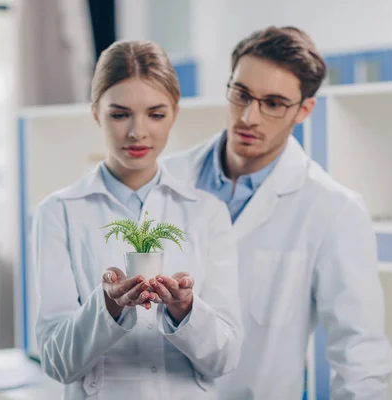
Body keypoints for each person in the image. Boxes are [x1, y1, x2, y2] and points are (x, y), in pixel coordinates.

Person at [162, 26, 392, 399]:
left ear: (304, 110)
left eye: (273, 103)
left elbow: (360, 357)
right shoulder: (166, 180)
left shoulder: (333, 210)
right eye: (241, 94)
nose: (249, 117)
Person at [33, 39, 243, 400]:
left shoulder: (206, 212)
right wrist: (109, 307)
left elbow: (225, 359)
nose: (137, 132)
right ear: (96, 113)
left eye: (156, 114)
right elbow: (56, 362)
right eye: (119, 114)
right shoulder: (59, 212)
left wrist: (185, 310)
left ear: (175, 114)